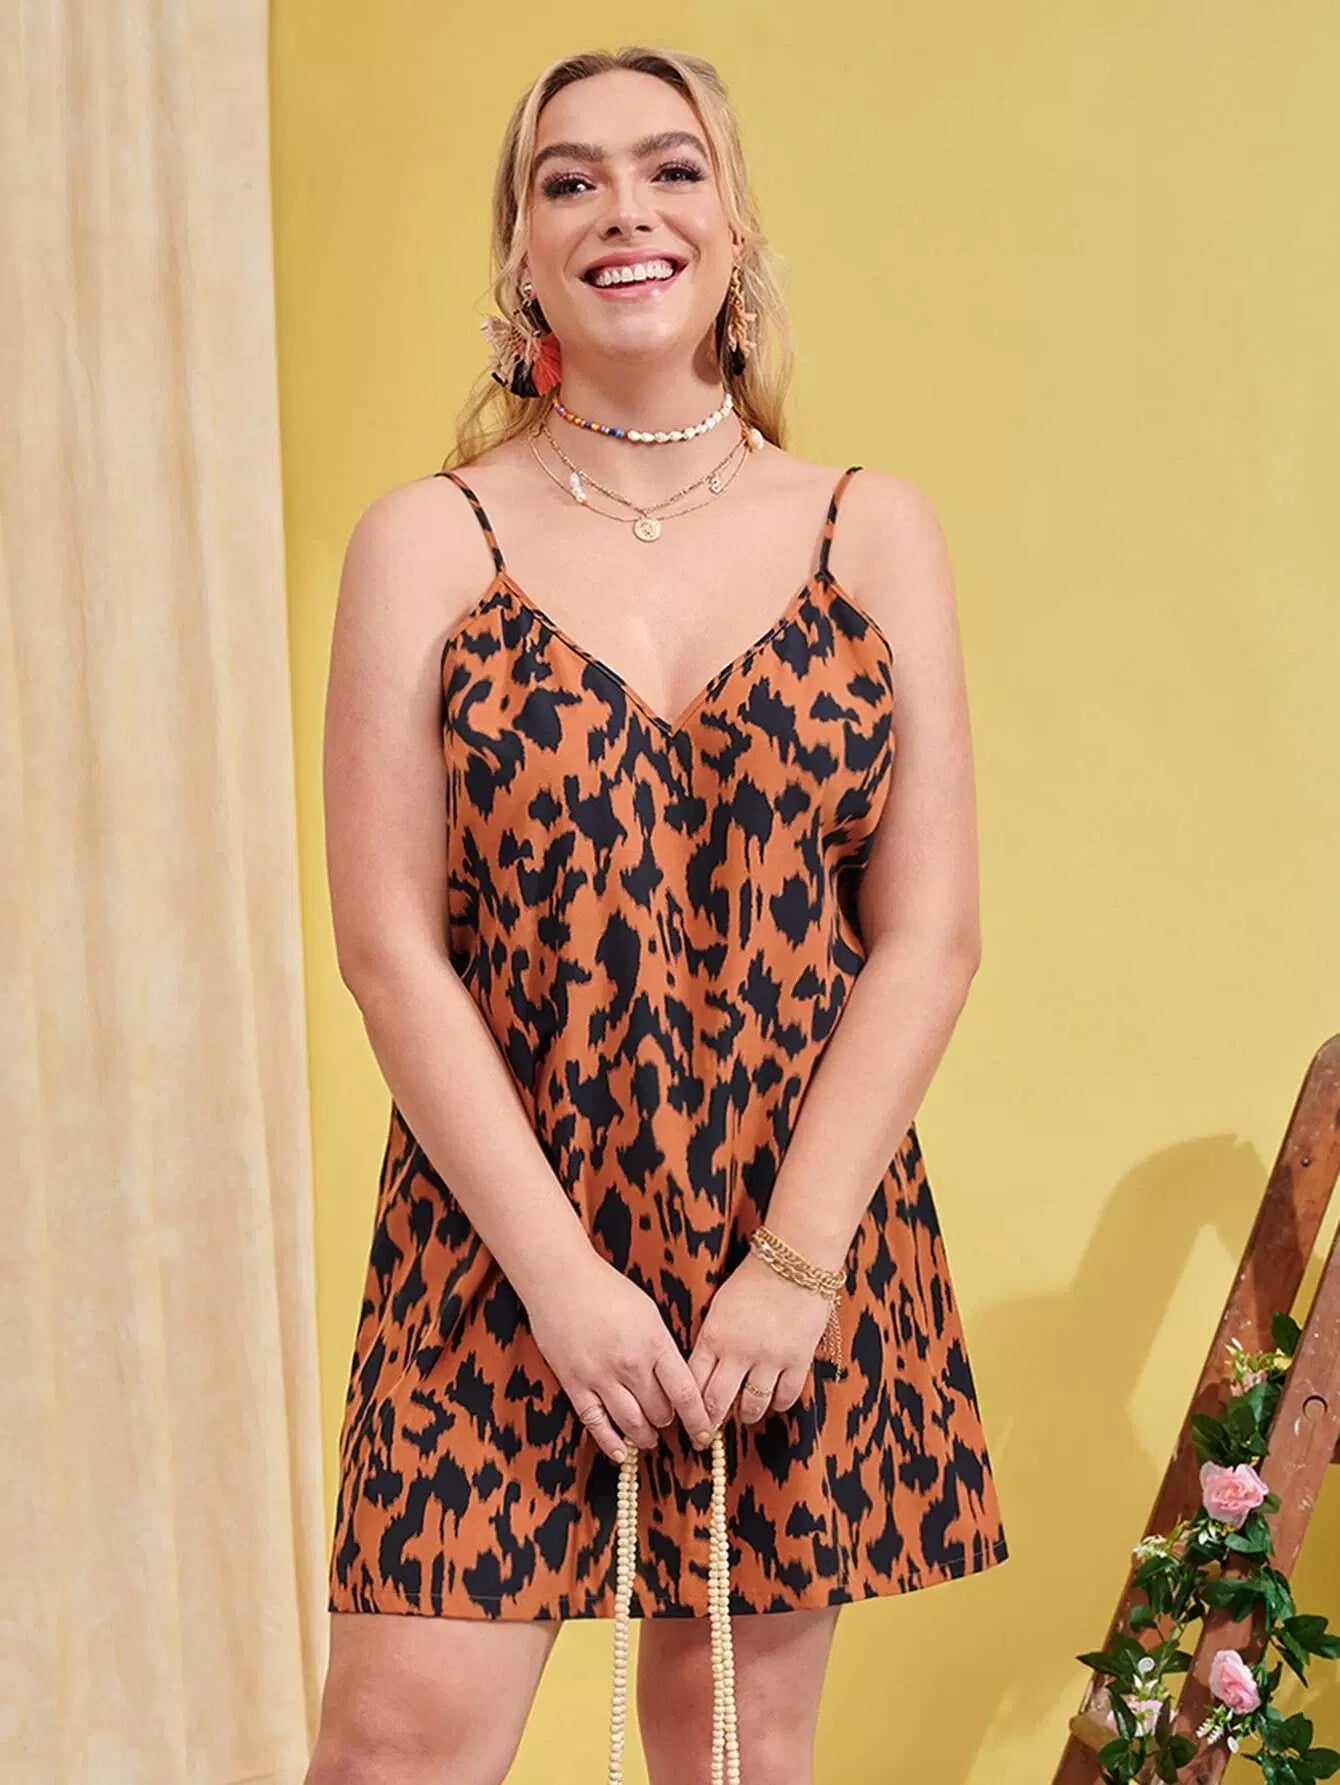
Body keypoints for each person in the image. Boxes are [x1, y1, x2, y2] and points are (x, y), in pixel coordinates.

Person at [309, 42, 1009, 1785]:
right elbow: (390, 949)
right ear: (520, 256)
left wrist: (794, 1266)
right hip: (497, 1234)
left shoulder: (870, 530)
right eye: (571, 179)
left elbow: (929, 933)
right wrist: (557, 1275)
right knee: (393, 1743)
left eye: (672, 167)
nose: (625, 208)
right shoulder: (427, 543)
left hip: (792, 1236)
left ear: (735, 225)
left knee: (733, 1755)